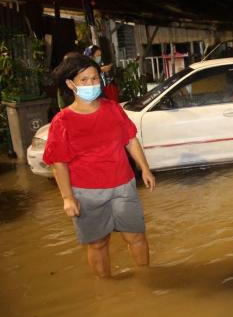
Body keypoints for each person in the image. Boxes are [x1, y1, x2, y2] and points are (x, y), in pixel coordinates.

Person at [43, 55, 156, 278]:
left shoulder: (112, 108)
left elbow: (130, 139)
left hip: (123, 185)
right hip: (87, 193)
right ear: (70, 84)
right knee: (98, 244)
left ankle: (147, 281)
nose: (91, 84)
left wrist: (145, 168)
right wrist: (67, 198)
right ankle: (106, 288)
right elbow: (59, 163)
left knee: (136, 237)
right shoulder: (62, 121)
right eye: (84, 80)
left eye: (95, 78)